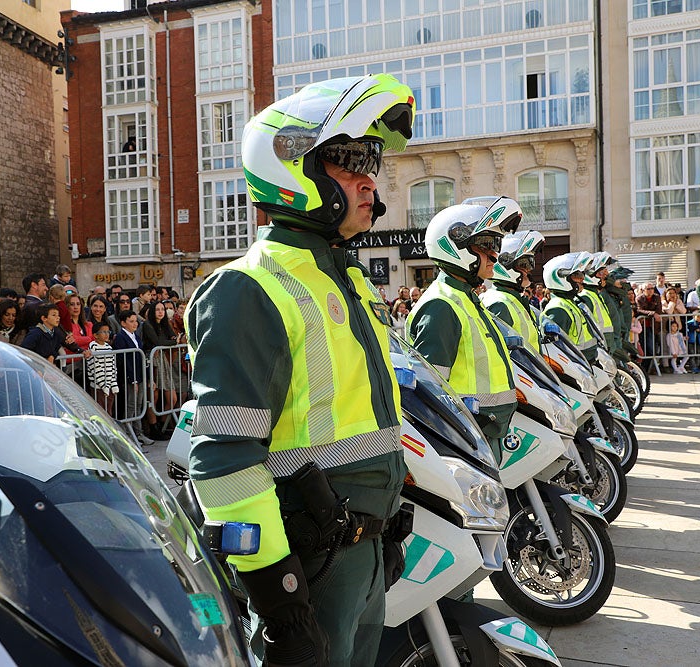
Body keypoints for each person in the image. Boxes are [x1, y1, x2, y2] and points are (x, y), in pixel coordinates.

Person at [185, 75, 416, 667]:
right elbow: (225, 459)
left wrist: (385, 523)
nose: (369, 180)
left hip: (359, 550)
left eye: (372, 163)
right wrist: (280, 602)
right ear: (292, 168)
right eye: (347, 163)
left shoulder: (346, 278)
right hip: (305, 561)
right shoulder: (248, 287)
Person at [410, 197, 523, 465]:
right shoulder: (441, 305)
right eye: (486, 245)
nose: (495, 254)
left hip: (484, 429)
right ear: (455, 245)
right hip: (467, 437)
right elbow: (431, 390)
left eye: (495, 244)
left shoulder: (466, 298)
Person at [481, 229, 545, 354]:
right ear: (506, 264)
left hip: (532, 370)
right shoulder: (499, 304)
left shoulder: (514, 299)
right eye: (524, 264)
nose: (528, 270)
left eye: (530, 264)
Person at [542, 252, 600, 362]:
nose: (582, 279)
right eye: (577, 275)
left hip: (585, 363)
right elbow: (557, 349)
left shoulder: (569, 302)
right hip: (576, 366)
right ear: (562, 278)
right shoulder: (558, 309)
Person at [111, 309, 154, 446]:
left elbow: (141, 358)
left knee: (139, 404)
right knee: (131, 405)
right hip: (130, 377)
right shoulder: (120, 338)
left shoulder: (136, 336)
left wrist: (147, 378)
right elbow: (124, 361)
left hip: (140, 375)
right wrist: (132, 379)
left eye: (136, 321)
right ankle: (129, 434)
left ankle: (138, 433)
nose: (135, 324)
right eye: (131, 321)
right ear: (123, 323)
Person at [142, 301, 180, 439]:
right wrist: (171, 341)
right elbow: (159, 342)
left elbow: (172, 338)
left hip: (162, 359)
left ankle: (162, 425)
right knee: (154, 395)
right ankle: (153, 427)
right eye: (157, 309)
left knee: (172, 398)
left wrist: (170, 340)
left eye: (162, 309)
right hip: (152, 359)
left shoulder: (165, 324)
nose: (160, 312)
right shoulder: (147, 324)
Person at [86, 323, 119, 417]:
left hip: (109, 386)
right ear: (96, 335)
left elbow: (113, 366)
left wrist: (113, 384)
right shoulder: (93, 346)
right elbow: (95, 366)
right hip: (98, 386)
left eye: (108, 332)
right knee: (100, 411)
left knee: (108, 410)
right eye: (103, 332)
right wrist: (103, 385)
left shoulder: (109, 347)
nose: (107, 334)